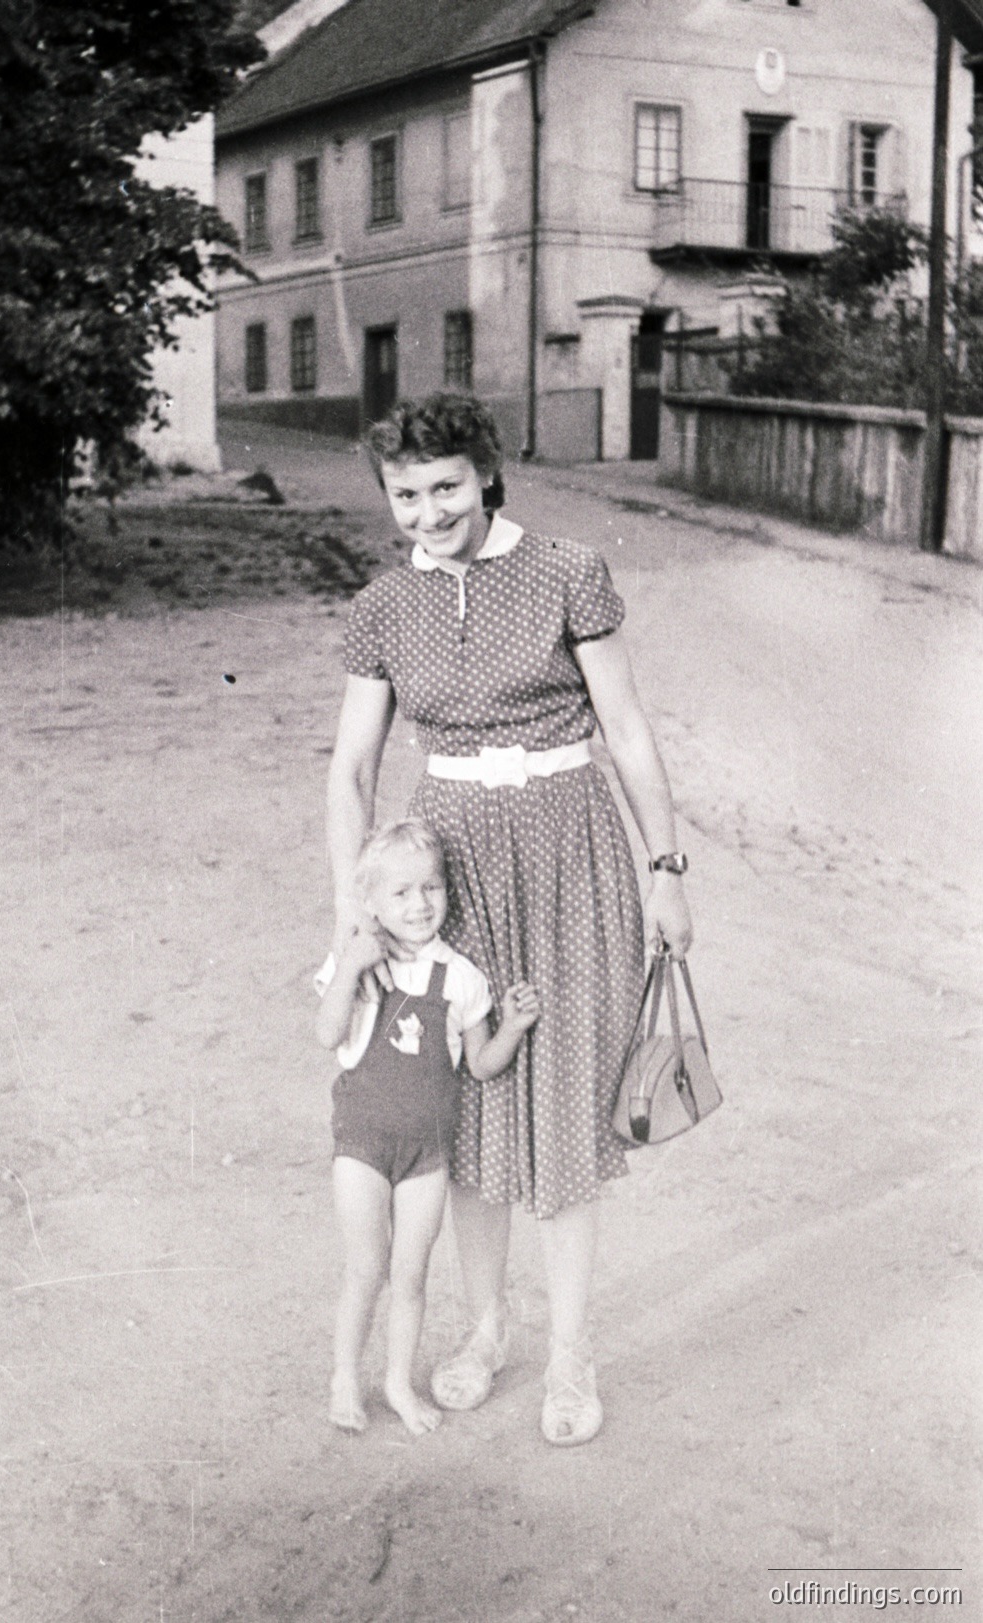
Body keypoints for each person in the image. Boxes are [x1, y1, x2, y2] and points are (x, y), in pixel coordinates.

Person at [326, 393, 693, 1446]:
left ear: (487, 472)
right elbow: (351, 769)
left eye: (446, 486)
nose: (428, 511)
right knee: (468, 1110)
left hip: (572, 850)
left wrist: (666, 867)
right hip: (451, 870)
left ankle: (571, 1355)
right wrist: (353, 914)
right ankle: (487, 1330)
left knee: (568, 1101)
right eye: (405, 494)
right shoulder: (383, 606)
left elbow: (624, 728)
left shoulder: (570, 571)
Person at [316, 817, 540, 1436]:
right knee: (367, 1268)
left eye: (432, 887)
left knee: (411, 1276)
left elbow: (484, 1064)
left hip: (427, 1155)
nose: (420, 904)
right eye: (401, 892)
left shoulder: (461, 977)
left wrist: (515, 1027)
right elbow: (326, 1032)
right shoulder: (358, 963)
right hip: (361, 1145)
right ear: (371, 902)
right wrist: (350, 964)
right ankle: (344, 1378)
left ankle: (396, 1383)